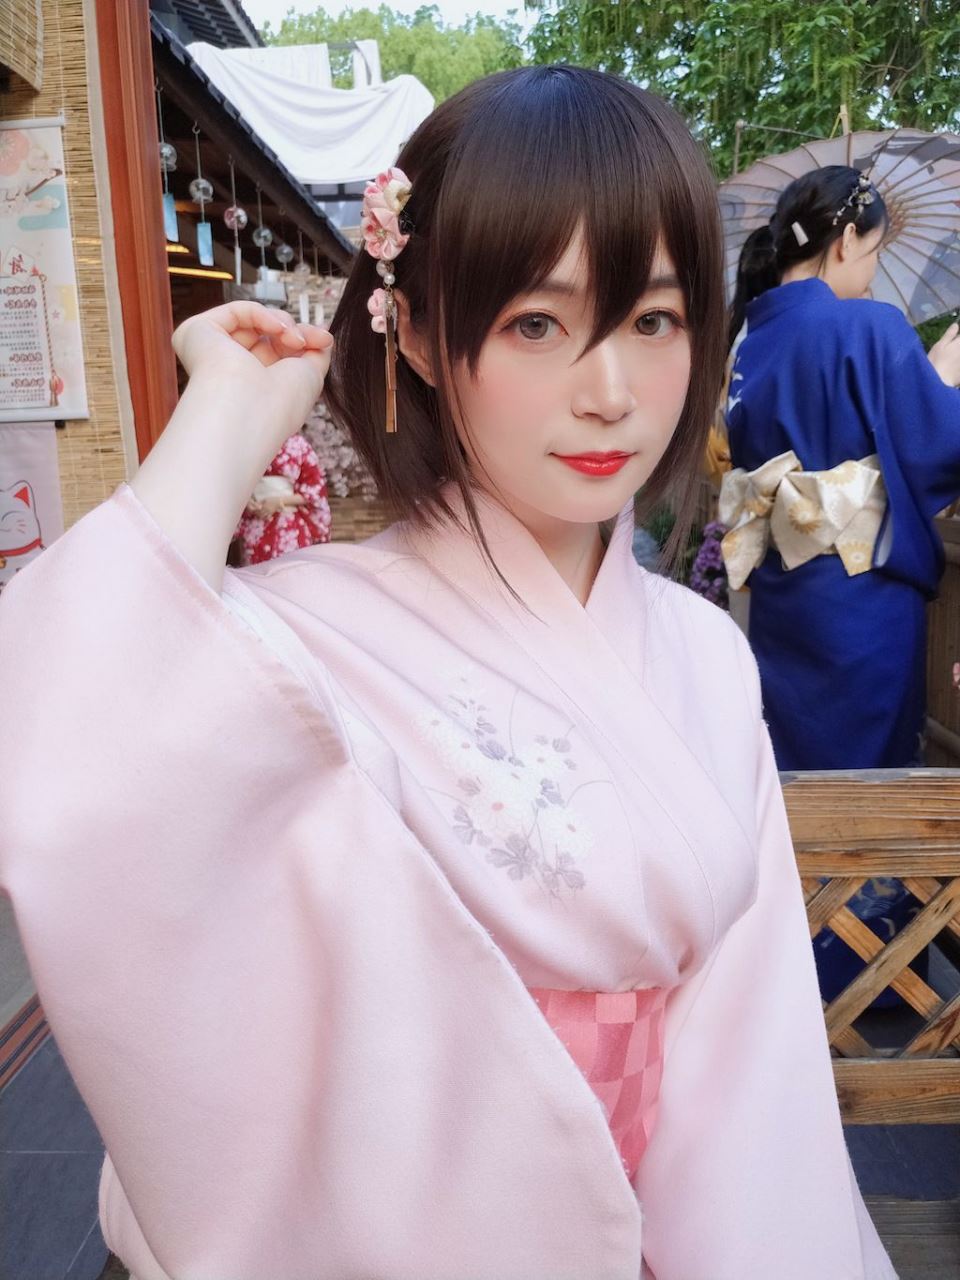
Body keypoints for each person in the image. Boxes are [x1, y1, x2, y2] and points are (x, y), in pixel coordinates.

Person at [0, 70, 895, 1280]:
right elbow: (54, 739)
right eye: (536, 323)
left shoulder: (705, 654)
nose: (610, 394)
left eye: (653, 320)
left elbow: (751, 1061)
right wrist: (224, 419)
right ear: (416, 331)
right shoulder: (307, 635)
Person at [723, 165, 960, 771]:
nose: (872, 270)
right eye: (874, 250)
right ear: (848, 239)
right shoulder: (871, 327)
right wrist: (941, 380)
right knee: (867, 773)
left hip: (784, 594)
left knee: (791, 764)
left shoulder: (750, 342)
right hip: (862, 596)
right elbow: (938, 445)